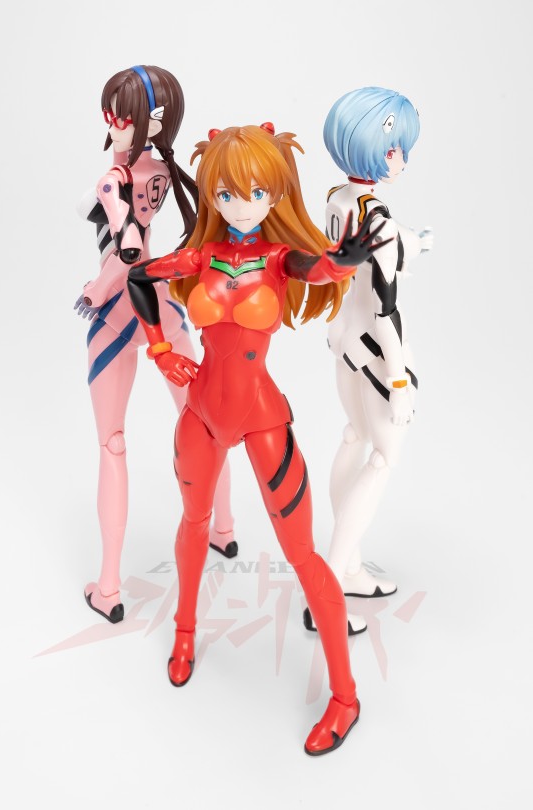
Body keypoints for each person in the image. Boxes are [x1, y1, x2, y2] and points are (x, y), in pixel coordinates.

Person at [127, 123, 389, 754]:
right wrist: (160, 351)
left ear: (275, 194)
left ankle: (345, 698)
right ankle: (184, 632)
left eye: (255, 192)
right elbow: (139, 279)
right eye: (226, 192)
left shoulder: (278, 259)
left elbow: (317, 266)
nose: (241, 204)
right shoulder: (200, 258)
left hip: (263, 418)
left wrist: (345, 259)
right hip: (201, 413)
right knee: (193, 523)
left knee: (303, 556)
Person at [76, 66, 235, 624]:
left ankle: (109, 587)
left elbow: (127, 247)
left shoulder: (115, 178)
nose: (113, 123)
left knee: (112, 442)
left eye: (121, 114)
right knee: (203, 416)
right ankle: (224, 528)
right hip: (161, 302)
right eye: (112, 113)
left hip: (120, 309)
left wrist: (95, 290)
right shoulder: (162, 169)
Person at [319, 87, 433, 634]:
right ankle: (327, 585)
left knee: (354, 437)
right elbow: (386, 309)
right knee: (382, 457)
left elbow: (360, 254)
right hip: (374, 350)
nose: (401, 159)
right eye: (393, 148)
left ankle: (350, 568)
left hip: (342, 340)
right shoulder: (376, 216)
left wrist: (414, 243)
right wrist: (399, 380)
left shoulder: (338, 198)